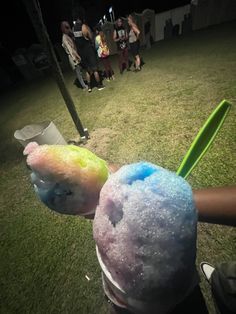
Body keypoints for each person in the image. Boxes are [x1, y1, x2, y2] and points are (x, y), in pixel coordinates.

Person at [73, 13, 105, 92]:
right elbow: (91, 37)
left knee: (87, 70)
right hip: (89, 50)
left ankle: (89, 87)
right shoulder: (84, 27)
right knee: (95, 69)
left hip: (81, 52)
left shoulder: (73, 28)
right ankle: (99, 85)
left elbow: (75, 40)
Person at [61, 21, 88, 91]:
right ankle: (84, 86)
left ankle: (84, 83)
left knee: (81, 70)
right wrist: (77, 56)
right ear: (63, 28)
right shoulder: (64, 37)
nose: (68, 28)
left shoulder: (68, 36)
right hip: (73, 57)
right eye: (67, 27)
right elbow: (70, 50)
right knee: (78, 72)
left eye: (68, 27)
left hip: (76, 55)